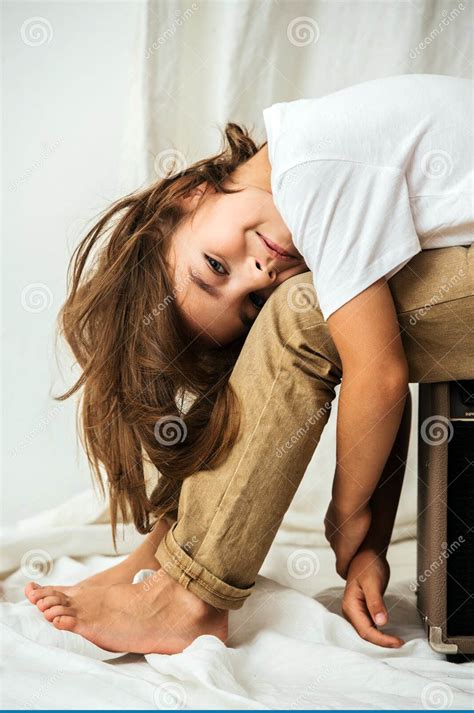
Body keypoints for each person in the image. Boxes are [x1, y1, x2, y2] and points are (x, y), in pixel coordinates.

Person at [25, 73, 473, 655]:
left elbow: (380, 377)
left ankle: (186, 600)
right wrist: (371, 544)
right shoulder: (305, 160)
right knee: (318, 312)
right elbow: (384, 375)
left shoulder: (310, 169)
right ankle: (165, 550)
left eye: (213, 265)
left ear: (185, 193)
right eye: (244, 298)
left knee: (296, 311)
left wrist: (344, 516)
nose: (255, 276)